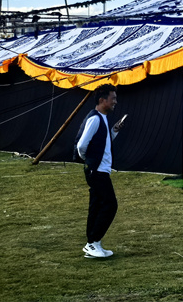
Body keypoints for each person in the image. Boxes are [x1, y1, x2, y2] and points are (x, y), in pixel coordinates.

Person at [76, 83, 126, 259]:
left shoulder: (102, 118)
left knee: (96, 206)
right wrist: (89, 160)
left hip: (99, 169)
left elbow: (104, 141)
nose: (115, 102)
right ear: (102, 100)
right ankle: (93, 242)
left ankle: (93, 243)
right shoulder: (95, 119)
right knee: (110, 205)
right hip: (96, 170)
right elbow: (81, 145)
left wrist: (114, 131)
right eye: (113, 99)